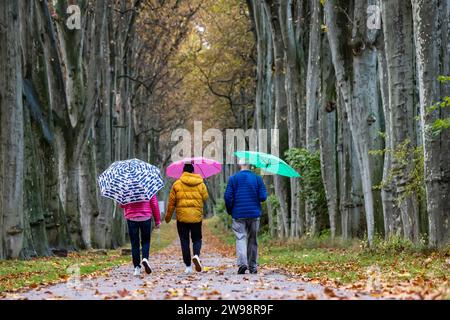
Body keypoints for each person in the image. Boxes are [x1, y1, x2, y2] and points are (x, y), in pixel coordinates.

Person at [165, 163, 209, 273]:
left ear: (183, 172)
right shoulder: (200, 183)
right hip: (196, 217)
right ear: (193, 172)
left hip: (182, 218)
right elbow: (205, 197)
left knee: (184, 241)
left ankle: (188, 266)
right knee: (197, 239)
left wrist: (168, 217)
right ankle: (196, 255)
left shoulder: (177, 184)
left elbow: (171, 203)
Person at [224, 163, 267, 274]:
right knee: (253, 239)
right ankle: (252, 266)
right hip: (254, 214)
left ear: (240, 165)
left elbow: (228, 197)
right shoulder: (257, 178)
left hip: (238, 214)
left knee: (240, 238)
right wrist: (260, 187)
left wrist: (230, 210)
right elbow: (263, 197)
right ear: (250, 165)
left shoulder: (233, 178)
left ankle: (243, 263)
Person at [120, 195, 161, 277]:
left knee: (134, 243)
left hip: (131, 217)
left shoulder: (127, 188)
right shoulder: (148, 187)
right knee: (146, 241)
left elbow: (122, 205)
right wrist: (157, 220)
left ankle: (137, 268)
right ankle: (145, 258)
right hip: (145, 216)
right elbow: (154, 204)